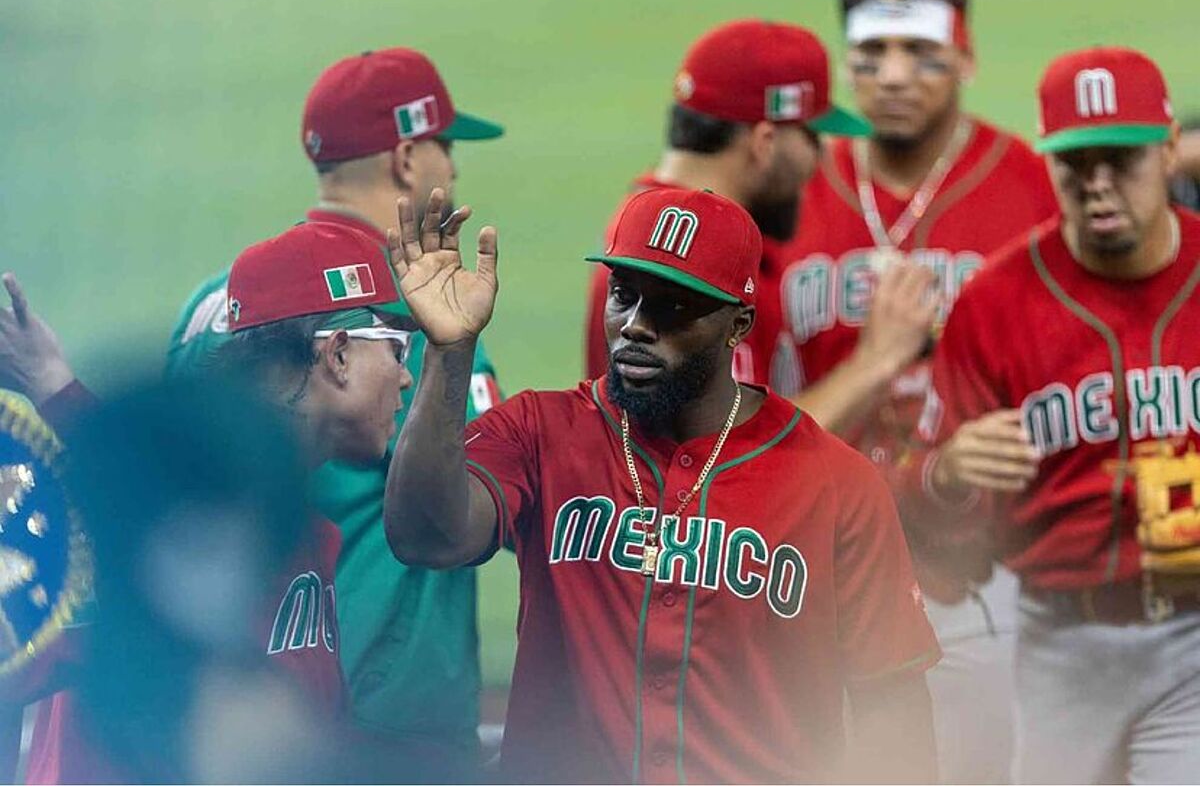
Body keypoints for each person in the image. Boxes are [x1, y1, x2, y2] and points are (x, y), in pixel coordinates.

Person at [386, 186, 939, 782]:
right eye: (625, 295)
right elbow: (427, 537)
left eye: (673, 307)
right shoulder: (539, 431)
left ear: (738, 325)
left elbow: (893, 707)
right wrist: (447, 352)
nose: (636, 327)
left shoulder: (837, 485)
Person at [749, 0, 1058, 780]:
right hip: (806, 574)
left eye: (919, 54)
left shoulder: (1025, 187)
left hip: (974, 581)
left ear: (966, 57)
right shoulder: (792, 189)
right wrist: (878, 359)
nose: (891, 77)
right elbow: (743, 418)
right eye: (870, 56)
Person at [166, 47, 503, 770]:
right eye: (446, 146)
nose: (455, 167)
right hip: (392, 730)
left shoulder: (220, 303)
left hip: (249, 716)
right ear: (408, 158)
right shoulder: (422, 312)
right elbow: (480, 507)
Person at [0, 221, 418, 780]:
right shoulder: (168, 525)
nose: (407, 378)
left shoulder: (305, 535)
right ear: (338, 355)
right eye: (398, 348)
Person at [919, 46, 1200, 783]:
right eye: (1075, 163)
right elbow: (947, 535)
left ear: (1170, 150)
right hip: (1056, 641)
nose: (1098, 185)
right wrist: (948, 473)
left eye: (1122, 159)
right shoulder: (992, 305)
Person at [582, 18, 870, 380]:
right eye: (812, 136)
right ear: (765, 142)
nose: (824, 154)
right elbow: (732, 435)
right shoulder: (691, 256)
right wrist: (876, 362)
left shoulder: (652, 222)